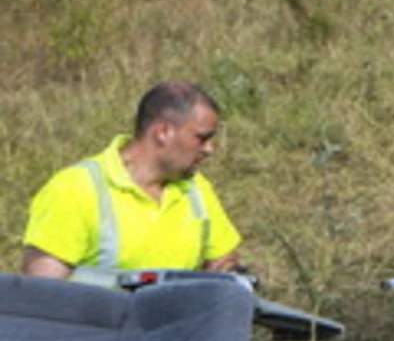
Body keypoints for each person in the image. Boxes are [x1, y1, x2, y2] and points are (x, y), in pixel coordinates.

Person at [21, 81, 243, 279]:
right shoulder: (74, 190)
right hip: (96, 324)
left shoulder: (196, 189)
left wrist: (229, 274)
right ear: (163, 132)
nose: (209, 149)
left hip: (176, 324)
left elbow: (223, 262)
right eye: (201, 138)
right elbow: (42, 297)